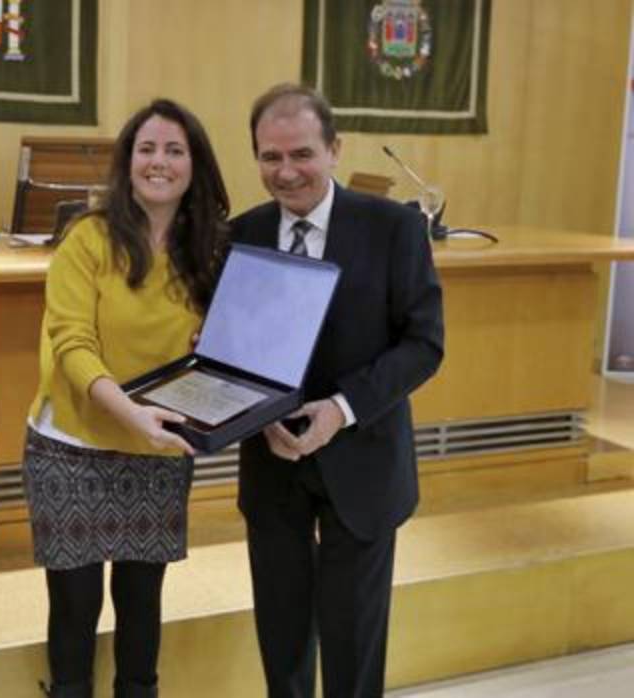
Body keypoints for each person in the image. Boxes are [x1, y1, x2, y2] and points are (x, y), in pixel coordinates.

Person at [230, 83, 445, 697]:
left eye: (301, 154)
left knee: (354, 651)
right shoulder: (239, 234)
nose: (286, 171)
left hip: (364, 464)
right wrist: (256, 414)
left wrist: (342, 408)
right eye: (270, 157)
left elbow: (423, 344)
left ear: (333, 149)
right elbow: (230, 352)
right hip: (272, 467)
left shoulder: (394, 228)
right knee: (282, 639)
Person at [22, 99, 230, 698]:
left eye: (174, 150)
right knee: (75, 605)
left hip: (160, 445)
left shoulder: (212, 249)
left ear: (195, 165)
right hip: (73, 446)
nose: (158, 162)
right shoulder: (87, 237)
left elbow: (224, 341)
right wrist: (131, 413)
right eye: (146, 148)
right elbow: (72, 342)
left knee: (141, 602)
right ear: (127, 161)